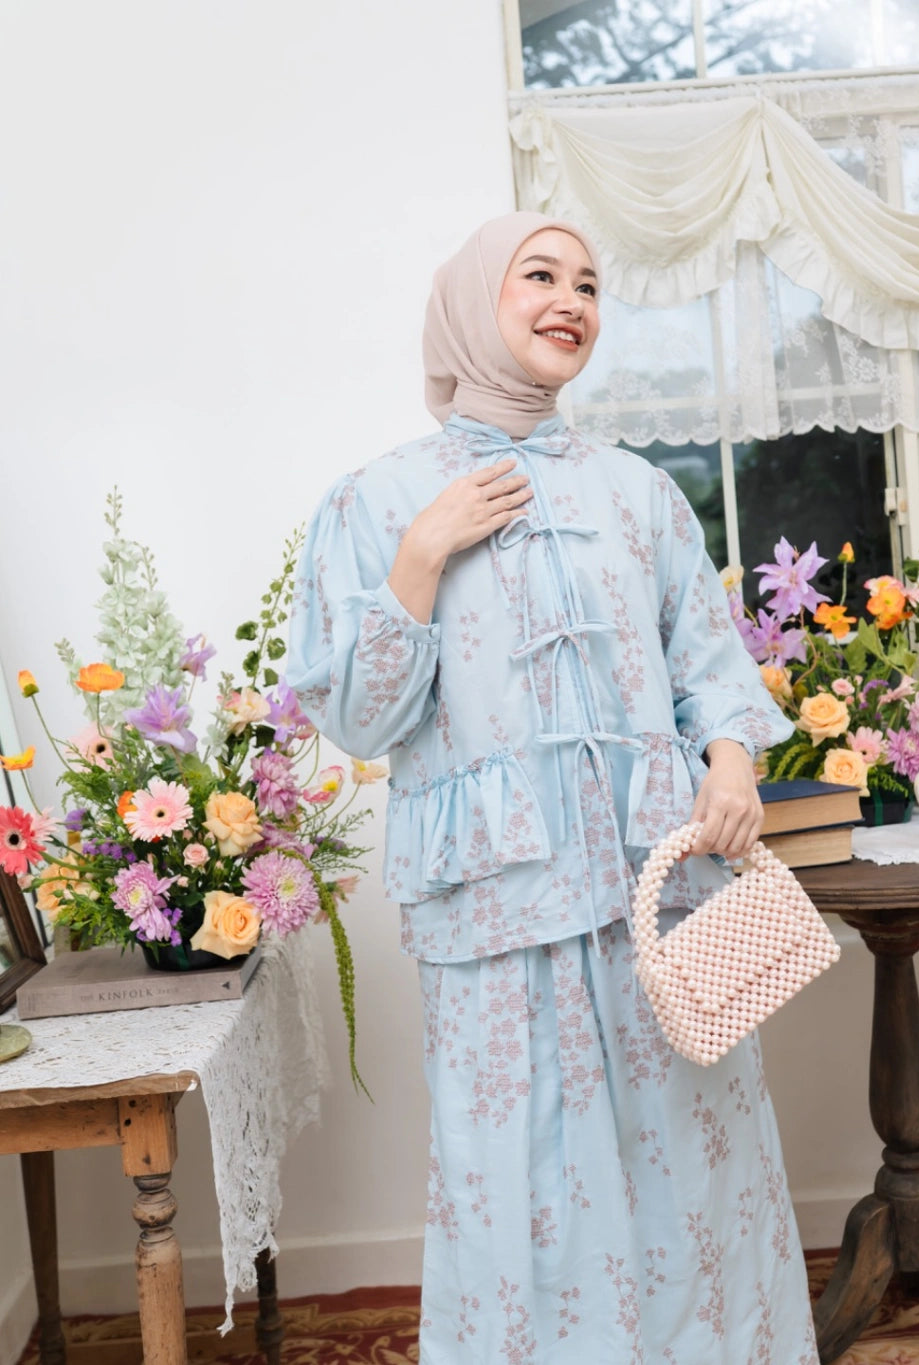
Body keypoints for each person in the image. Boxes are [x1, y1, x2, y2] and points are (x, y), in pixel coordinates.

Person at [286, 211, 819, 1363]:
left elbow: (709, 669)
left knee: (694, 1173)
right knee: (519, 1191)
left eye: (587, 284)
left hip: (656, 899)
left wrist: (729, 760)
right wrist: (421, 558)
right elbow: (357, 718)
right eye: (538, 276)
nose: (569, 299)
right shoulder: (374, 502)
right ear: (475, 301)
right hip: (500, 910)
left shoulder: (639, 494)